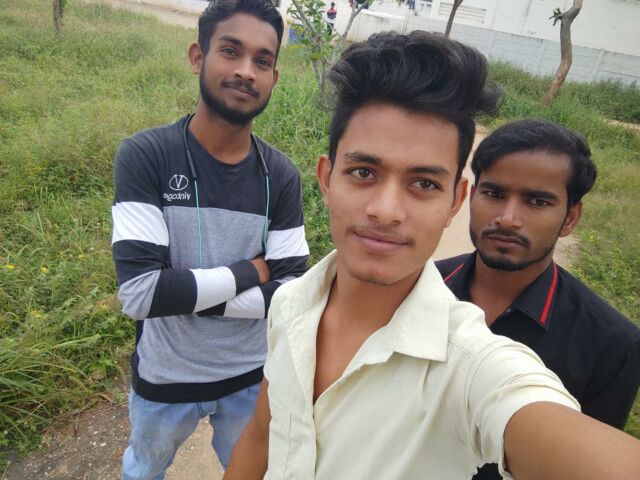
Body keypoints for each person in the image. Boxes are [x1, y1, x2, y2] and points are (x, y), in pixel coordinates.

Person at [224, 31, 640, 479]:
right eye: (363, 172)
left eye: (424, 184)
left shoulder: (473, 367)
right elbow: (263, 435)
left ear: (455, 202)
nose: (386, 210)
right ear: (326, 179)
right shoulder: (291, 303)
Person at [110, 0, 309, 478]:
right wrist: (247, 272)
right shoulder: (147, 156)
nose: (246, 71)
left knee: (251, 473)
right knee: (143, 470)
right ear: (198, 57)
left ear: (274, 78)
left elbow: (290, 294)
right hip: (165, 375)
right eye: (231, 51)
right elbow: (141, 295)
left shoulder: (280, 175)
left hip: (249, 377)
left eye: (262, 60)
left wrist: (185, 294)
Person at [436, 118, 640, 480]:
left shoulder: (611, 344)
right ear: (471, 195)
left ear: (570, 218)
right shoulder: (418, 290)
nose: (508, 219)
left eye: (537, 201)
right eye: (494, 194)